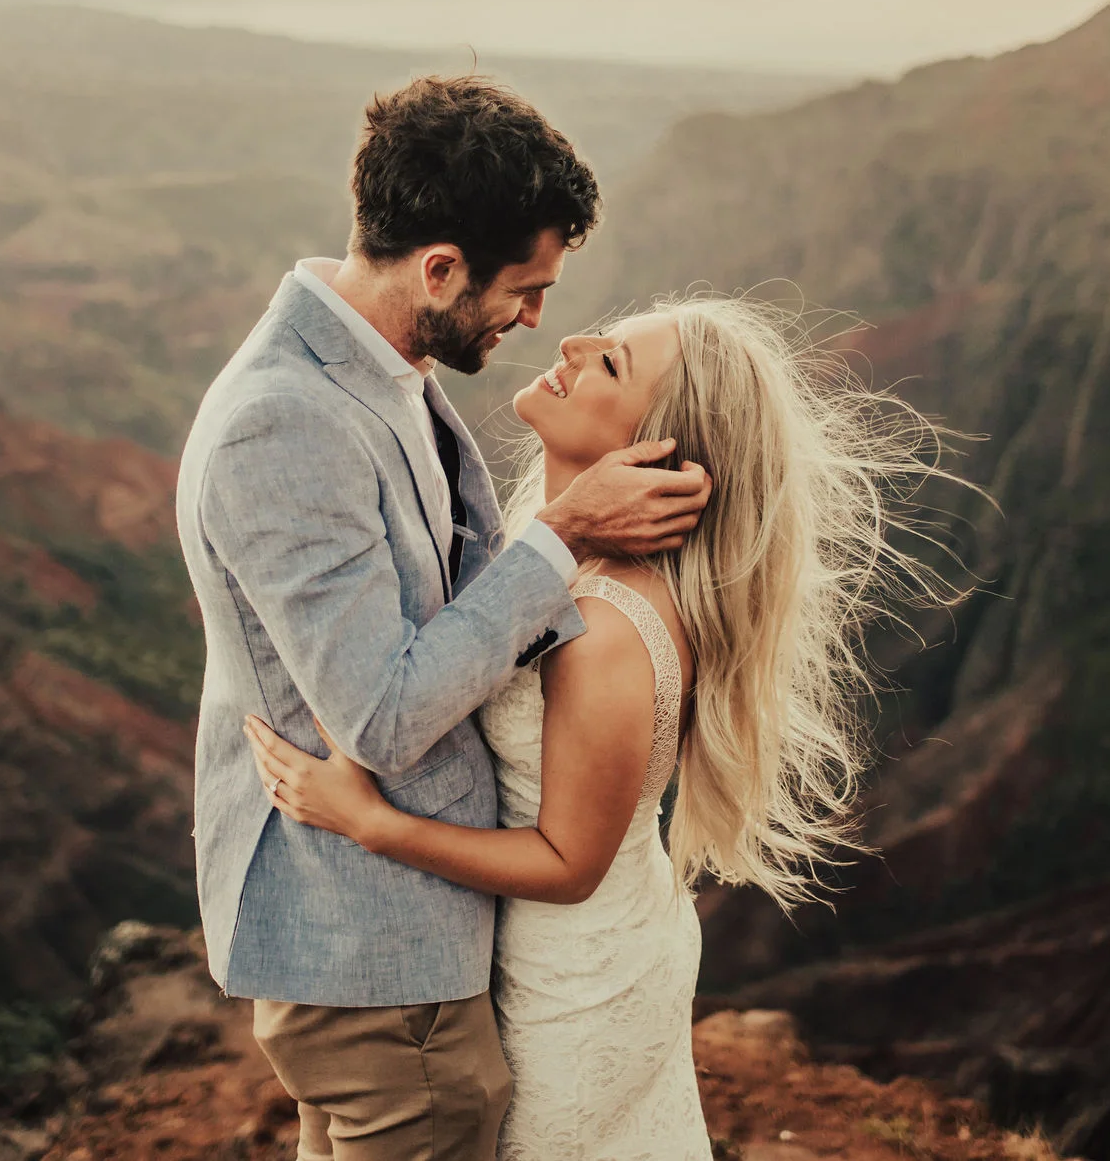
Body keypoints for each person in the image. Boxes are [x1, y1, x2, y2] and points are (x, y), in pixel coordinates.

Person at [247, 295, 947, 1160]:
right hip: (559, 949)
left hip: (572, 983)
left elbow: (568, 863)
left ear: (652, 450)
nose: (574, 342)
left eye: (611, 361)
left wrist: (370, 822)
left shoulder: (607, 631)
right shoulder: (559, 562)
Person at [176, 74, 713, 1161]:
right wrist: (562, 535)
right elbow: (381, 715)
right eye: (525, 288)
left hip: (411, 948)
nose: (537, 321)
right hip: (374, 947)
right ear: (438, 268)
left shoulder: (379, 371)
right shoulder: (285, 420)